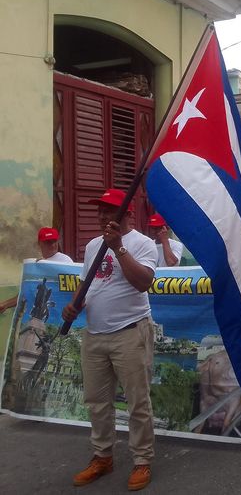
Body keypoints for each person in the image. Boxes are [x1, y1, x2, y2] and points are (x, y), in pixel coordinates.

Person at [61, 188, 158, 491]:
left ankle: (142, 460)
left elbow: (143, 282)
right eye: (100, 210)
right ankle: (103, 456)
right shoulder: (92, 246)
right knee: (97, 402)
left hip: (130, 332)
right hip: (95, 335)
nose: (102, 215)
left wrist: (118, 248)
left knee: (137, 402)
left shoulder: (143, 243)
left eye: (109, 210)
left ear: (127, 214)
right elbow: (88, 284)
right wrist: (74, 305)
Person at [0, 227, 74, 313]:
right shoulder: (39, 264)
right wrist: (5, 304)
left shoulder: (64, 260)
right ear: (40, 243)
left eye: (54, 241)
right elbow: (28, 292)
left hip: (60, 312)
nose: (53, 245)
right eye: (48, 242)